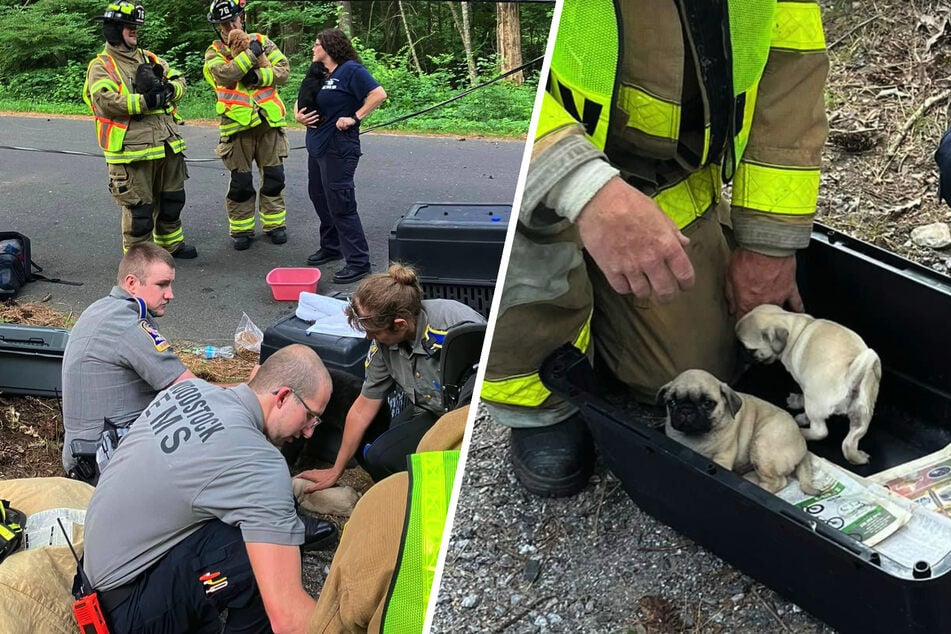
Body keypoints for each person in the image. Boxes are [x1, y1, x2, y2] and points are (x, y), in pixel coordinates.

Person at [480, 0, 830, 498]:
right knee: (515, 246)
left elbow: (790, 74)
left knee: (691, 369)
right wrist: (581, 186)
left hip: (662, 181)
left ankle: (608, 322)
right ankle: (539, 408)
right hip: (541, 179)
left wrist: (769, 240)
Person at [79, 344, 331, 632]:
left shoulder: (188, 391)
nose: (310, 431)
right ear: (284, 397)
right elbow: (288, 617)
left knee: (272, 517)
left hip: (94, 579)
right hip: (124, 615)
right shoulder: (261, 464)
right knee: (255, 556)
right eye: (311, 416)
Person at [297, 264, 484, 489]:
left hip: (473, 417)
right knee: (379, 456)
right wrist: (336, 470)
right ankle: (403, 498)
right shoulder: (383, 347)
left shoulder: (458, 329)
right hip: (432, 410)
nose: (368, 337)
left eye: (374, 332)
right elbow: (363, 407)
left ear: (400, 325)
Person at [309, 405, 467, 633]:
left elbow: (329, 624)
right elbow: (363, 407)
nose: (309, 433)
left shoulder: (387, 501)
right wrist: (336, 469)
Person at [61, 242, 198, 481]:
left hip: (87, 451)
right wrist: (247, 394)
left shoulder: (102, 308)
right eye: (162, 285)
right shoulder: (127, 323)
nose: (170, 294)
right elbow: (190, 389)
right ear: (132, 283)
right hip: (107, 460)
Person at [83, 1, 197, 259]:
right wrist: (145, 102)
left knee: (172, 200)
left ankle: (170, 246)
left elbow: (180, 79)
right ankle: (139, 261)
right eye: (128, 26)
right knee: (140, 212)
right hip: (132, 152)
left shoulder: (150, 58)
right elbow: (103, 100)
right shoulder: (102, 65)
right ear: (113, 30)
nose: (134, 30)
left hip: (167, 144)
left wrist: (169, 91)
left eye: (135, 26)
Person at [295, 29, 387, 285]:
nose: (313, 49)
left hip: (340, 145)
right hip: (317, 145)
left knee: (340, 202)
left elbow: (378, 94)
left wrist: (355, 117)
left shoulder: (351, 70)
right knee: (319, 196)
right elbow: (301, 97)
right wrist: (298, 116)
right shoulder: (319, 72)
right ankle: (331, 245)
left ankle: (358, 261)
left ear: (329, 46)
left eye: (316, 44)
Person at [203, 0, 291, 251]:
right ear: (217, 25)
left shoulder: (263, 39)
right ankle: (241, 229)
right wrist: (251, 55)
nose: (231, 25)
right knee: (241, 183)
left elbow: (283, 71)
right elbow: (224, 73)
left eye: (234, 19)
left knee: (274, 178)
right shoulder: (214, 51)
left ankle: (275, 225)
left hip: (268, 124)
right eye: (224, 22)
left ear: (242, 17)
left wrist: (259, 75)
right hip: (237, 127)